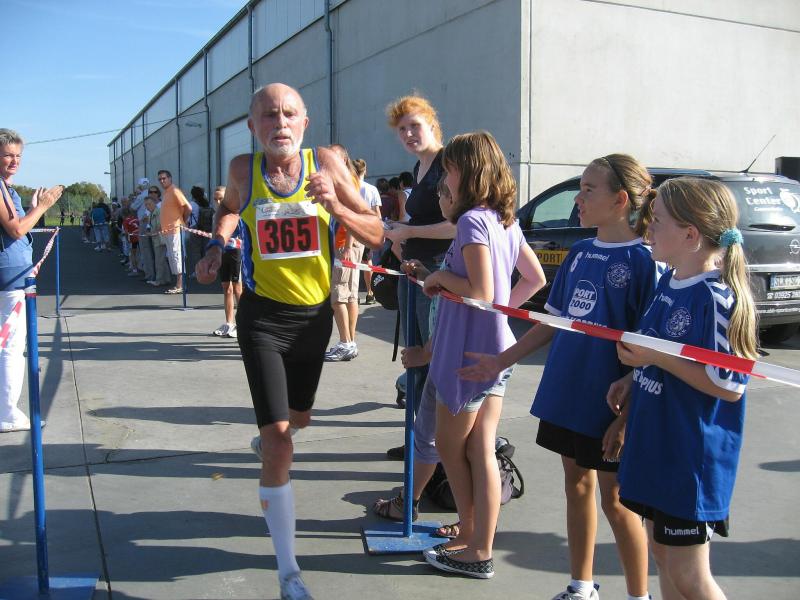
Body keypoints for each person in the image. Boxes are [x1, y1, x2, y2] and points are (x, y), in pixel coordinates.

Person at [195, 83, 383, 600]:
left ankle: (279, 433)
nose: (279, 122)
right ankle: (288, 572)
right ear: (252, 126)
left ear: (304, 122)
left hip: (314, 319)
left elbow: (376, 232)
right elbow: (230, 209)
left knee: (299, 421)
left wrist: (336, 206)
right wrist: (217, 246)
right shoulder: (243, 168)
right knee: (280, 444)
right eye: (268, 115)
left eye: (289, 114)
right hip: (262, 319)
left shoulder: (327, 164)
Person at [461, 154, 659, 600]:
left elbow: (652, 351)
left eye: (589, 190)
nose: (578, 199)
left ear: (620, 200)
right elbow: (553, 321)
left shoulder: (646, 262)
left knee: (617, 501)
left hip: (610, 402)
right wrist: (501, 360)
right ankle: (581, 585)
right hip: (570, 391)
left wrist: (626, 416)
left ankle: (639, 595)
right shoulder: (580, 252)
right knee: (576, 485)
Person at [394, 132, 541, 579]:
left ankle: (476, 542)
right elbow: (532, 280)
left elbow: (480, 289)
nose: (444, 178)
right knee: (480, 448)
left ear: (467, 172)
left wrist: (439, 277)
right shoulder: (504, 220)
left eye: (450, 169)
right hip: (494, 350)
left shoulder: (473, 221)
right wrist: (496, 317)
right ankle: (477, 540)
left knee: (451, 447)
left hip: (465, 356)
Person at [608, 178, 756, 600]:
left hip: (689, 458)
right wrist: (632, 380)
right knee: (661, 555)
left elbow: (730, 384)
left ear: (691, 235)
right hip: (656, 446)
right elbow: (660, 352)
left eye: (658, 221)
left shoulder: (716, 298)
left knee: (689, 574)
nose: (648, 227)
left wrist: (656, 358)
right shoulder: (667, 282)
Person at [383, 94, 456, 459]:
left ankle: (439, 450)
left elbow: (457, 226)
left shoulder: (449, 163)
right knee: (415, 360)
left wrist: (408, 232)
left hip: (437, 274)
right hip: (412, 272)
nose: (409, 134)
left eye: (415, 126)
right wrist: (398, 235)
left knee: (434, 360)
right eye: (402, 130)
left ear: (432, 124)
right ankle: (420, 441)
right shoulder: (419, 166)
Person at [0, 128, 63, 432]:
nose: (14, 161)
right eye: (7, 155)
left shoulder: (6, 187)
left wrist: (31, 209)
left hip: (13, 276)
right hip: (10, 280)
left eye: (18, 156)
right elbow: (15, 229)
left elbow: (16, 224)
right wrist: (42, 207)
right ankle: (7, 413)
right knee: (11, 347)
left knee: (10, 345)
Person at [324, 145, 366, 362]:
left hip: (345, 244)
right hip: (349, 243)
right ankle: (349, 342)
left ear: (343, 159)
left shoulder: (346, 181)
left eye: (333, 156)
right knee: (350, 295)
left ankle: (345, 342)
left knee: (338, 296)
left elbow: (351, 215)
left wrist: (348, 246)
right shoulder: (350, 179)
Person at [210, 186, 242, 338]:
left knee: (237, 288)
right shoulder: (215, 215)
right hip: (223, 253)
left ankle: (242, 324)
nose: (218, 202)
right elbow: (214, 235)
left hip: (237, 252)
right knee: (226, 287)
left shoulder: (237, 214)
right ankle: (229, 323)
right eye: (215, 199)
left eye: (221, 199)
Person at [352, 159, 382, 305]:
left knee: (353, 263)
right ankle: (370, 292)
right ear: (365, 170)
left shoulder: (349, 188)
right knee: (367, 262)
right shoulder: (372, 189)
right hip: (368, 229)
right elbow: (377, 214)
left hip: (352, 228)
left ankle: (354, 294)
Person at [157, 169, 191, 294]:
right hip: (168, 230)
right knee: (172, 256)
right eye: (160, 179)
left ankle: (180, 285)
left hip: (175, 229)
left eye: (164, 178)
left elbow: (188, 207)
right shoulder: (166, 193)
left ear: (170, 178)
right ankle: (179, 283)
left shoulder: (175, 191)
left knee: (177, 255)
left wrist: (183, 220)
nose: (162, 181)